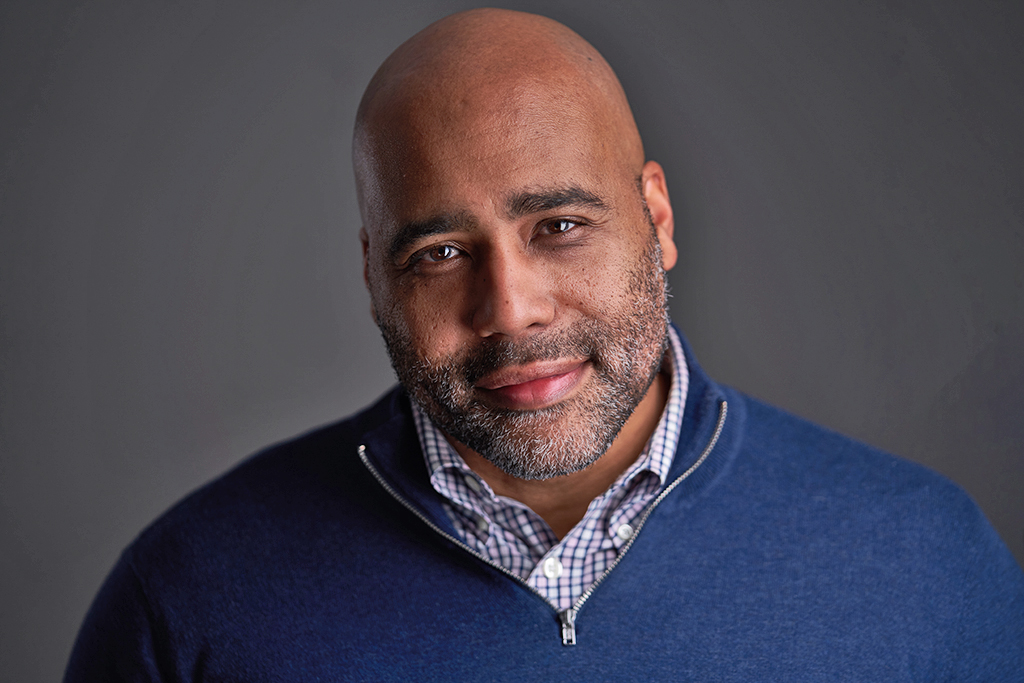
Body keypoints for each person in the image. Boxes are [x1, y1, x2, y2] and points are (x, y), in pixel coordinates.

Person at [65, 9, 1023, 681]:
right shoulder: (188, 598)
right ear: (373, 277)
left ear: (656, 217)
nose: (511, 309)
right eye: (440, 253)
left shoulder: (926, 563)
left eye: (560, 226)